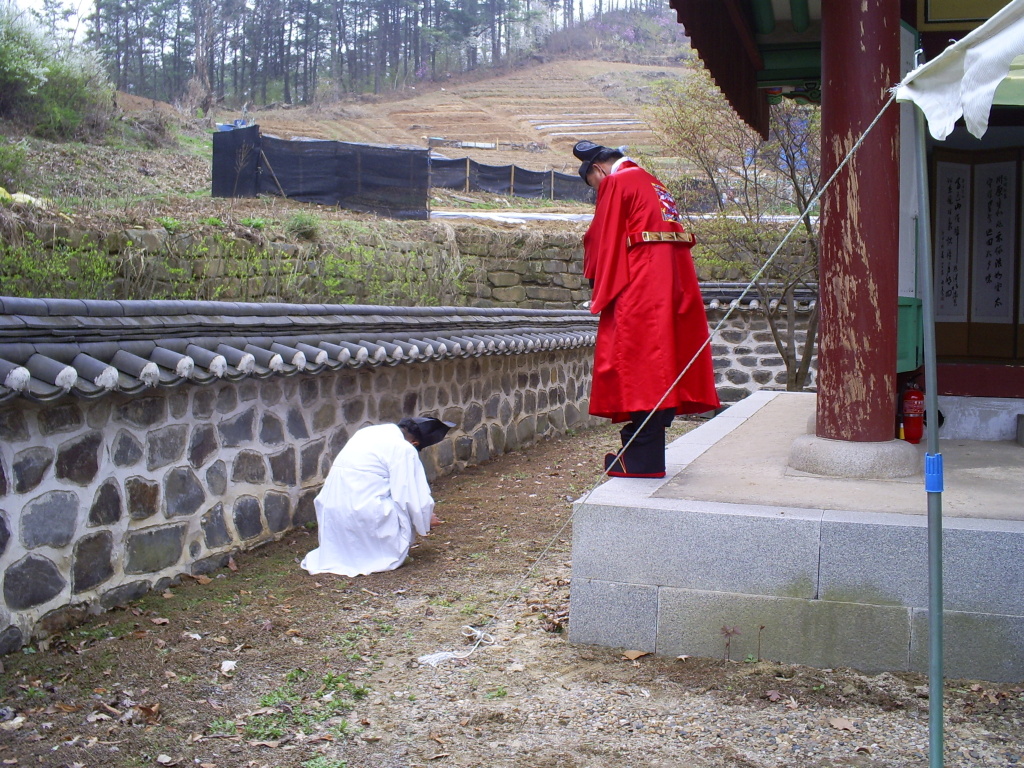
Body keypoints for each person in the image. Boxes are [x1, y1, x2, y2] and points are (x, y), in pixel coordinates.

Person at [573, 140, 720, 478]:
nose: (598, 193)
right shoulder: (654, 182)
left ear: (598, 170)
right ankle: (643, 453)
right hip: (673, 285)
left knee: (639, 367)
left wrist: (598, 283)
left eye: (594, 187)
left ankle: (641, 457)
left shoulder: (617, 182)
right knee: (664, 367)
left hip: (639, 286)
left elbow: (602, 237)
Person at [300, 416, 455, 577]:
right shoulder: (403, 448)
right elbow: (409, 493)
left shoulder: (366, 433)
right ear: (415, 444)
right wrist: (425, 516)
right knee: (404, 509)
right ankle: (378, 554)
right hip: (363, 513)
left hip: (331, 512)